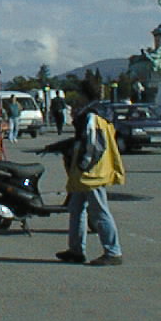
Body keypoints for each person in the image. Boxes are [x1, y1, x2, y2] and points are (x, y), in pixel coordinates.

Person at [56, 80, 125, 266]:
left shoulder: (92, 116)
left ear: (84, 95)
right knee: (76, 209)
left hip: (91, 172)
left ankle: (113, 251)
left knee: (99, 211)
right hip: (87, 171)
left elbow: (93, 145)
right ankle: (76, 250)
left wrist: (83, 164)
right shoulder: (97, 112)